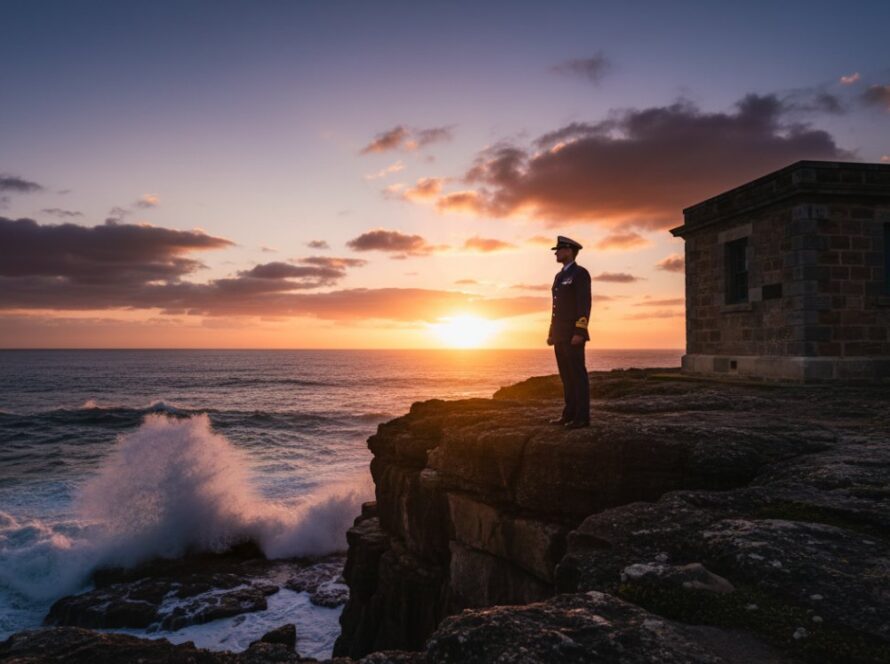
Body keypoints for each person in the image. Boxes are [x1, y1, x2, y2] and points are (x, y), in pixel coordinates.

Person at [546, 236, 591, 429]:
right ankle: (569, 414)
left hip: (573, 334)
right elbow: (555, 308)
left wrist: (580, 331)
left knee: (577, 376)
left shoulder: (580, 274)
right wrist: (551, 332)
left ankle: (582, 417)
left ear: (569, 251)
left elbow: (584, 303)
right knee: (566, 376)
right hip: (560, 334)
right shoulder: (559, 276)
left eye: (559, 249)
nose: (556, 253)